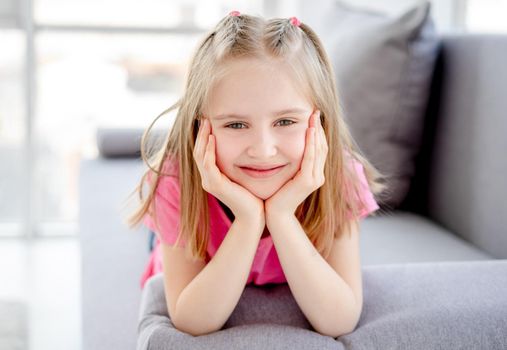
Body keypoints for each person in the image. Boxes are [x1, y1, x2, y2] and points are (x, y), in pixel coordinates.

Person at [125, 11, 387, 338]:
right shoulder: (177, 181)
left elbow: (339, 320)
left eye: (285, 122)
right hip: (201, 211)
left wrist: (280, 216)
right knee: (159, 240)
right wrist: (249, 220)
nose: (263, 150)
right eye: (236, 124)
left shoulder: (340, 176)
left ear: (321, 123)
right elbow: (192, 321)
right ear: (199, 127)